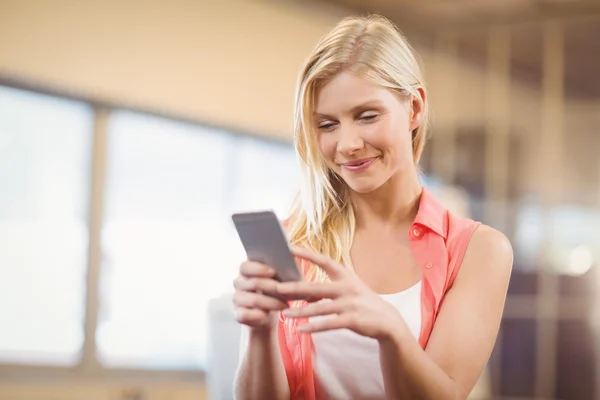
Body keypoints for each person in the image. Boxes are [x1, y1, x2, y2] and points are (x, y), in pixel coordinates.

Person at [232, 14, 513, 400]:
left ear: (414, 109)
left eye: (367, 116)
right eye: (327, 124)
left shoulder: (479, 251)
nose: (346, 144)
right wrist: (259, 329)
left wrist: (390, 329)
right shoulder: (295, 242)